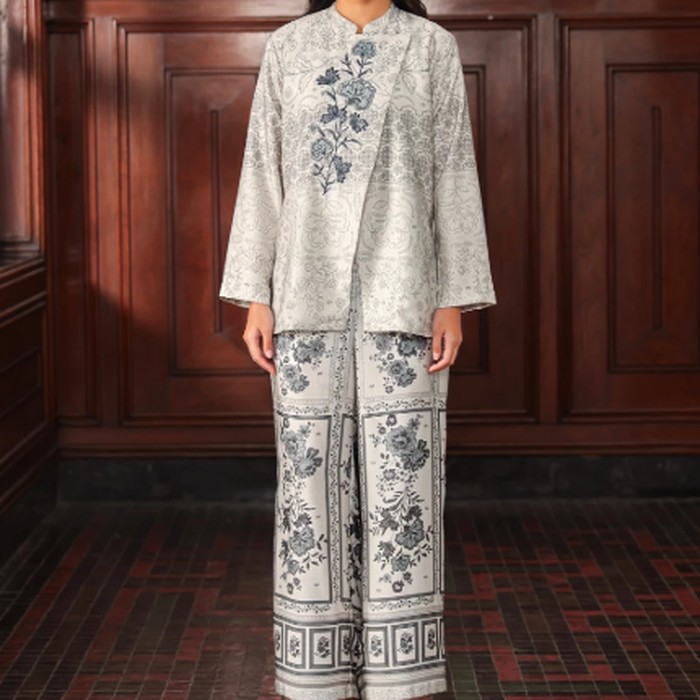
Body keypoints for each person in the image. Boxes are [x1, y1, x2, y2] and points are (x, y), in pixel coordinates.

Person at [219, 1, 497, 697]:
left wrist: (453, 296)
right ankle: (314, 673)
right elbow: (262, 168)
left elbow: (453, 170)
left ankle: (401, 674)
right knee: (307, 488)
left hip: (404, 294)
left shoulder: (430, 47)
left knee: (404, 488)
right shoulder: (289, 47)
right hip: (303, 295)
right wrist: (255, 293)